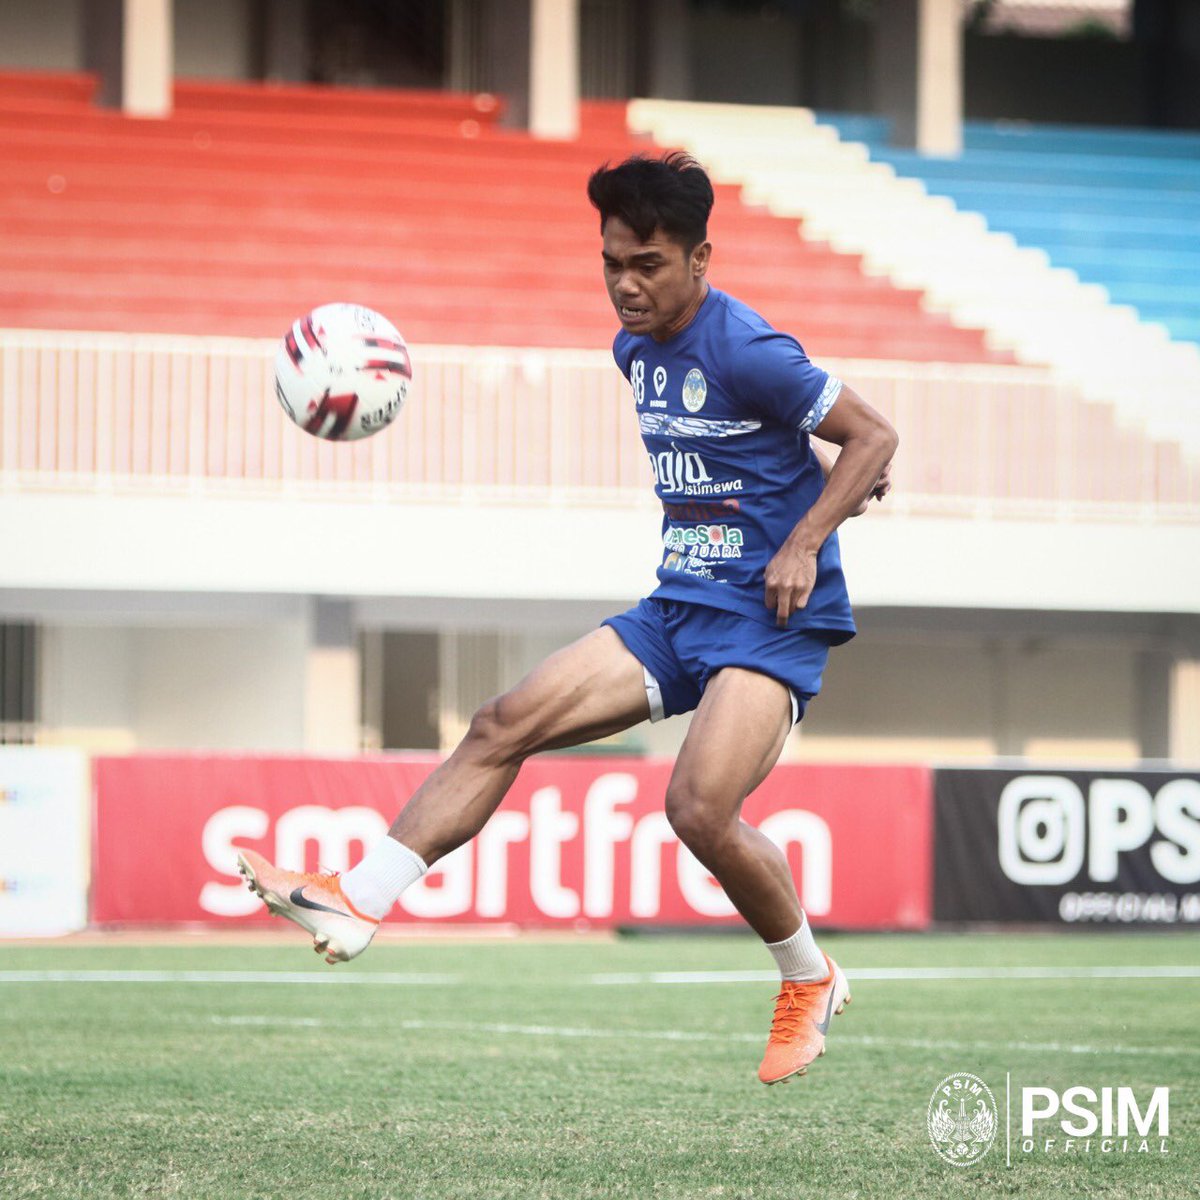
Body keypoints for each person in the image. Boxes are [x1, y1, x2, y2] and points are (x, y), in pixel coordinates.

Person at [239, 151, 897, 1086]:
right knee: (502, 723)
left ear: (701, 259)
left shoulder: (750, 348)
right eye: (612, 264)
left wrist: (806, 537)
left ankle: (808, 977)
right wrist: (826, 481)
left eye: (649, 265)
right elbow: (771, 450)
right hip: (679, 604)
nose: (626, 285)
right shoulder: (635, 350)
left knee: (697, 809)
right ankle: (355, 900)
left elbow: (874, 435)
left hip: (768, 619)